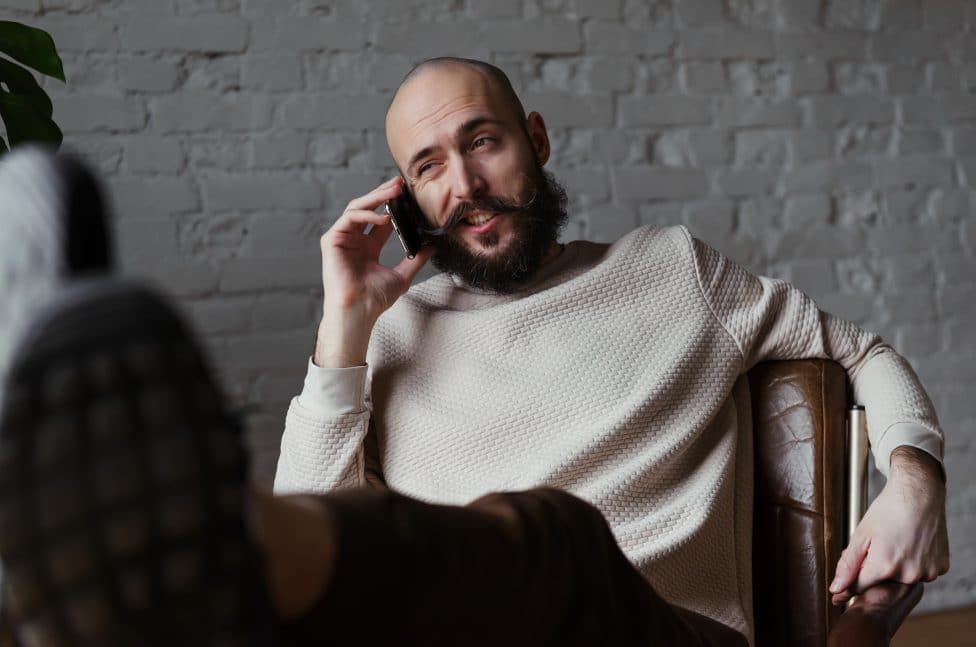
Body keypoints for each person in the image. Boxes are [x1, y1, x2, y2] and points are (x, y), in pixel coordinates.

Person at [272, 57, 949, 645]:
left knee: (554, 537)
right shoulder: (388, 337)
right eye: (429, 166)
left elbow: (863, 353)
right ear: (408, 201)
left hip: (667, 630)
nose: (466, 184)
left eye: (481, 140)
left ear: (535, 139)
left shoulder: (674, 271)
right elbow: (309, 556)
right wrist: (344, 326)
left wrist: (916, 482)